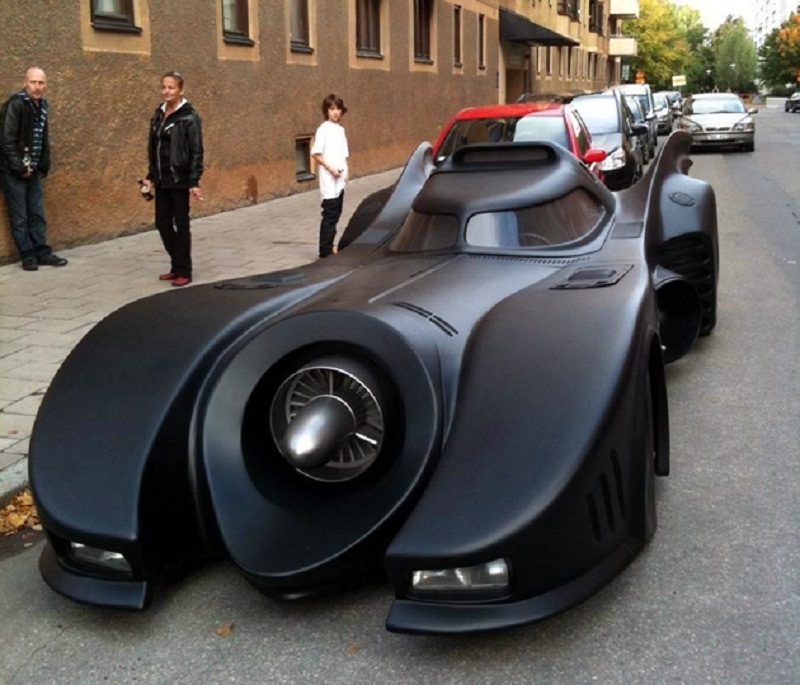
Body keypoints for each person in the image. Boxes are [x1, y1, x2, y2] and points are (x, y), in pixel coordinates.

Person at [0, 67, 68, 271]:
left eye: (41, 83)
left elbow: (42, 137)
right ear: (25, 83)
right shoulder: (16, 104)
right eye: (33, 82)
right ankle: (27, 255)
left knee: (37, 213)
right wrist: (20, 167)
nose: (37, 87)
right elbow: (6, 141)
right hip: (14, 172)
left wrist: (42, 165)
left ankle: (42, 253)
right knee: (20, 216)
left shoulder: (42, 106)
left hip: (34, 169)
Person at [141, 71, 203, 287]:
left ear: (181, 90)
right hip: (162, 179)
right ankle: (177, 264)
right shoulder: (158, 114)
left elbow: (197, 151)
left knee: (181, 224)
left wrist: (194, 181)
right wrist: (150, 176)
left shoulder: (189, 117)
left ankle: (184, 270)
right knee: (162, 223)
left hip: (179, 179)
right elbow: (153, 148)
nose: (166, 91)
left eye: (171, 87)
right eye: (164, 87)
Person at [311, 94, 349, 258]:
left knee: (337, 212)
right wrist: (329, 167)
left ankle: (330, 246)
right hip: (329, 177)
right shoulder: (323, 129)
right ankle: (325, 250)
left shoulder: (340, 130)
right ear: (326, 111)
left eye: (338, 109)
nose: (335, 112)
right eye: (332, 109)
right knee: (329, 213)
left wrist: (346, 172)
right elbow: (316, 154)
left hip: (339, 178)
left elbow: (344, 154)